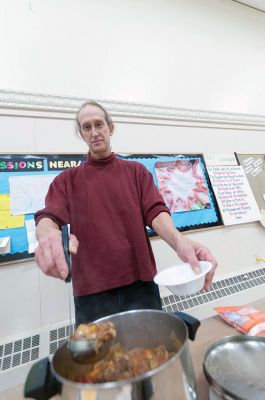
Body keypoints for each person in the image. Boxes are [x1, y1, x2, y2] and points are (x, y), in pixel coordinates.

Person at [34, 100, 217, 325]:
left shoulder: (136, 172)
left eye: (99, 124)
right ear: (81, 134)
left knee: (151, 352)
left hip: (141, 284)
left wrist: (179, 241)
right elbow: (48, 217)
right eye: (86, 127)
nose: (94, 132)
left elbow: (155, 211)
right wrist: (48, 236)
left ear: (111, 128)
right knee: (99, 359)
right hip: (92, 293)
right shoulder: (66, 181)